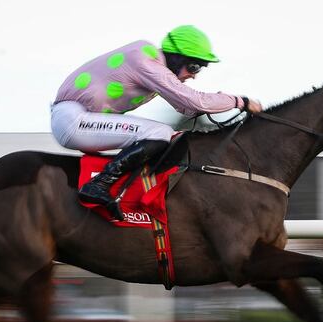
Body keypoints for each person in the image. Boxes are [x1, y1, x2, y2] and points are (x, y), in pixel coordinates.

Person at [50, 25, 262, 220]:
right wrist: (239, 101)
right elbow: (194, 101)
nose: (194, 75)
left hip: (85, 119)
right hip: (74, 120)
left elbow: (187, 107)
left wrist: (219, 106)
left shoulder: (152, 65)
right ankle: (99, 185)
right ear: (176, 58)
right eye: (194, 67)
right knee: (160, 132)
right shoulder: (145, 60)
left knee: (169, 135)